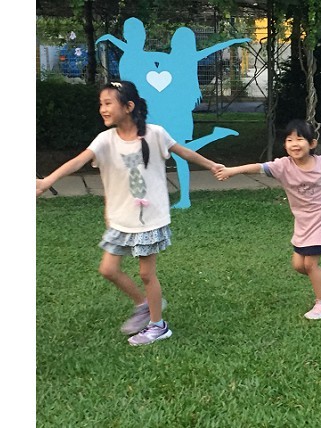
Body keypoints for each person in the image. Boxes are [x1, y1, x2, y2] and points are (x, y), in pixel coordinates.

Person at [36, 80, 225, 345]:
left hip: (150, 219)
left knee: (147, 274)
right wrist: (47, 181)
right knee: (108, 269)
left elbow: (183, 152)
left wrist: (212, 165)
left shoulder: (155, 134)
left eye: (108, 103)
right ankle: (144, 305)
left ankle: (158, 326)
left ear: (129, 106)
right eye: (101, 104)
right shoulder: (105, 140)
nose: (102, 109)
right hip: (120, 219)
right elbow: (78, 161)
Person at [215, 119, 321, 320]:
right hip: (303, 221)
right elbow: (257, 167)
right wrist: (231, 171)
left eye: (300, 139)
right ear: (285, 145)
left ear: (312, 143)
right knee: (299, 265)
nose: (294, 144)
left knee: (310, 265)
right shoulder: (283, 166)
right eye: (289, 140)